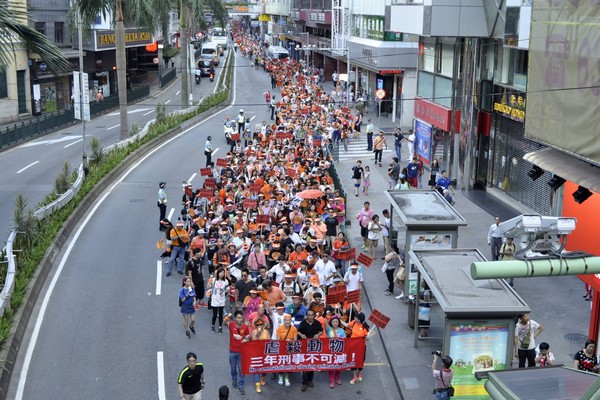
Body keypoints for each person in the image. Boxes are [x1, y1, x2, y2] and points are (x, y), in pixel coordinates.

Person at [298, 310, 323, 391]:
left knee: (312, 364)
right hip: (304, 347)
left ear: (314, 315)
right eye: (309, 315)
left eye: (312, 315)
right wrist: (301, 335)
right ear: (306, 316)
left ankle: (310, 380)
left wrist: (318, 334)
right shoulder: (303, 323)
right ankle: (304, 383)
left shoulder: (317, 323)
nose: (310, 316)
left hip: (313, 346)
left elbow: (321, 331)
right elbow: (298, 331)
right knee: (305, 365)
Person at [228, 310, 250, 395]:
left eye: (241, 318)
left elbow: (248, 337)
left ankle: (241, 385)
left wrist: (245, 339)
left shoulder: (245, 326)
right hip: (232, 351)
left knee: (241, 370)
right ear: (235, 318)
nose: (240, 319)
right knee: (233, 368)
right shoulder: (231, 324)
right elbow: (224, 323)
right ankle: (234, 380)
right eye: (238, 318)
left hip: (242, 352)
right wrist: (227, 317)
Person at [275, 313, 298, 386]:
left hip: (290, 349)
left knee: (289, 363)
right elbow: (277, 341)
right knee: (282, 363)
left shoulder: (294, 329)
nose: (287, 322)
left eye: (289, 321)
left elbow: (295, 341)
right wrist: (284, 342)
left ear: (291, 321)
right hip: (282, 349)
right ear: (284, 321)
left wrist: (290, 342)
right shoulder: (279, 329)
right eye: (286, 320)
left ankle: (287, 377)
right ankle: (280, 376)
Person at [326, 314, 346, 388]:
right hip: (331, 351)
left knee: (338, 365)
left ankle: (337, 377)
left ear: (338, 323)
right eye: (333, 322)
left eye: (336, 322)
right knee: (331, 366)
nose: (335, 323)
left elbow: (345, 340)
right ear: (331, 322)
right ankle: (331, 379)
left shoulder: (342, 330)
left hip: (339, 351)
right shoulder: (329, 330)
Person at [250, 318, 270, 393]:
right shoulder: (253, 332)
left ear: (263, 325)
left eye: (261, 324)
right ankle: (257, 386)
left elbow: (269, 342)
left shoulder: (266, 332)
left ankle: (263, 379)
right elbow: (252, 342)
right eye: (257, 325)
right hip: (256, 354)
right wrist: (258, 334)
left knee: (264, 369)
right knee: (256, 370)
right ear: (255, 325)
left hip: (264, 353)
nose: (259, 326)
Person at [210, 267, 230, 334]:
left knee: (221, 314)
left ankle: (220, 327)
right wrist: (210, 280)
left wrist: (227, 290)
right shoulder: (214, 280)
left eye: (223, 273)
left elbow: (228, 289)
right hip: (215, 299)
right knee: (215, 314)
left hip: (221, 300)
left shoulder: (225, 281)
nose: (221, 274)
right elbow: (208, 287)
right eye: (220, 273)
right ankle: (213, 325)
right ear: (218, 273)